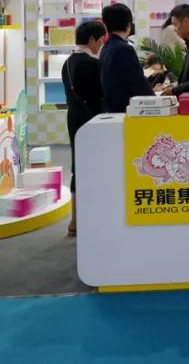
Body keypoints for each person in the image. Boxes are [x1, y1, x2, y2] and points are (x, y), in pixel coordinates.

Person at [62, 20, 106, 237]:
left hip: (74, 116)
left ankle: (75, 220)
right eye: (100, 41)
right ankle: (84, 219)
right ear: (91, 40)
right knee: (92, 164)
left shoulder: (68, 62)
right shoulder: (90, 64)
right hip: (91, 118)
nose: (101, 45)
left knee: (77, 165)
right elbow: (100, 93)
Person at [99, 4, 153, 114]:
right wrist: (154, 98)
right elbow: (137, 82)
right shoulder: (124, 49)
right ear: (128, 25)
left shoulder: (105, 48)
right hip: (127, 110)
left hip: (111, 109)